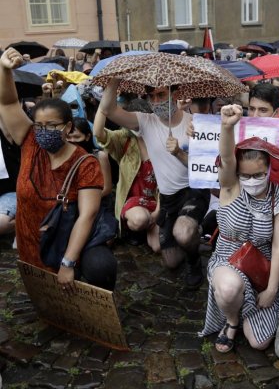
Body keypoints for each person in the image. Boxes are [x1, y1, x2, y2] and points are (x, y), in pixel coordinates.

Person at [0, 48, 117, 290]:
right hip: (31, 240)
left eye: (51, 125)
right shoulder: (30, 141)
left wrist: (68, 262)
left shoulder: (86, 163)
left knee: (100, 268)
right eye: (39, 125)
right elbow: (8, 102)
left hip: (70, 240)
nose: (43, 131)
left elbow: (87, 215)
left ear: (67, 127)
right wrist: (4, 70)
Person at [99, 78, 210, 288]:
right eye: (151, 96)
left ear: (175, 95)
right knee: (171, 261)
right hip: (167, 197)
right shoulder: (145, 121)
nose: (156, 101)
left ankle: (194, 260)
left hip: (193, 191)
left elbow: (205, 169)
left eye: (161, 95)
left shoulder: (194, 123)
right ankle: (191, 234)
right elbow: (108, 109)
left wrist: (179, 153)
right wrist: (114, 79)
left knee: (183, 233)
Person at [199, 104, 279, 353]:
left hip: (260, 266)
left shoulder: (277, 195)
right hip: (228, 259)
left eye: (258, 174)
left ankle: (246, 310)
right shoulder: (230, 187)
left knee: (259, 343)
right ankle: (231, 320)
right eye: (245, 176)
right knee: (228, 289)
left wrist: (272, 289)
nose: (252, 180)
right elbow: (227, 158)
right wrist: (227, 127)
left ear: (269, 169)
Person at [93, 99, 160, 252]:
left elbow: (168, 182)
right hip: (133, 201)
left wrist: (158, 214)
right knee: (139, 220)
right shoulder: (125, 140)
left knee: (158, 247)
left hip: (157, 202)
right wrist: (104, 107)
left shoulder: (161, 141)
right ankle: (134, 228)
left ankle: (150, 227)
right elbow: (99, 134)